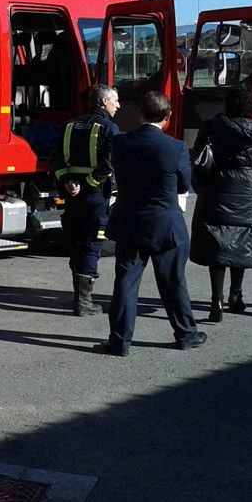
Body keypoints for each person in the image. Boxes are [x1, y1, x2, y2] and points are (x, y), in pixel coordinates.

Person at [97, 91, 206, 356]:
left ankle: (120, 340)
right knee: (172, 282)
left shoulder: (121, 143)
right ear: (167, 118)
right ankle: (185, 333)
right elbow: (183, 183)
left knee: (125, 282)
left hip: (129, 220)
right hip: (165, 223)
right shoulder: (176, 147)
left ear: (140, 114)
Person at [188, 86, 252, 322]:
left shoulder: (212, 126)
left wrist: (200, 185)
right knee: (241, 241)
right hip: (247, 189)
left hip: (215, 187)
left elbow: (198, 158)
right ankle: (237, 295)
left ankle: (217, 301)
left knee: (217, 245)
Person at [50, 84, 120, 316]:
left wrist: (68, 182)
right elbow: (109, 165)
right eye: (115, 101)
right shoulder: (110, 128)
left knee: (76, 244)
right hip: (95, 197)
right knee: (91, 245)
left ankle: (78, 298)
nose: (118, 106)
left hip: (72, 197)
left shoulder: (68, 125)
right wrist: (88, 184)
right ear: (103, 102)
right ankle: (84, 302)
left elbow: (57, 161)